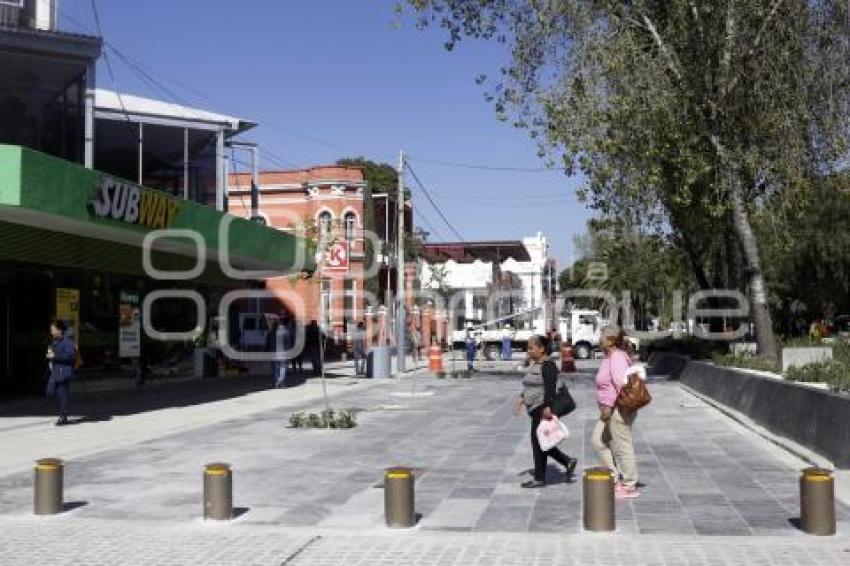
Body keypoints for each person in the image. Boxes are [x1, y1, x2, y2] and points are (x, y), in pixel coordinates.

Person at [513, 334, 577, 488]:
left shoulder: (548, 365)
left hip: (542, 408)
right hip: (534, 407)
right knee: (541, 441)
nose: (528, 351)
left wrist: (548, 407)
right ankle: (567, 461)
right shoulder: (535, 364)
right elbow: (530, 385)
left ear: (541, 349)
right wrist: (521, 400)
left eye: (531, 348)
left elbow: (550, 387)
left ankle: (540, 478)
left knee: (539, 442)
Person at [592, 325, 641, 499]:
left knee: (622, 445)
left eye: (602, 336)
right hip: (610, 410)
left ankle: (629, 485)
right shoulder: (610, 356)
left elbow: (620, 385)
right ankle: (614, 477)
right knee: (599, 441)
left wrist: (609, 407)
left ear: (611, 340)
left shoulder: (617, 357)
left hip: (617, 410)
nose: (599, 339)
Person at [46, 320, 77, 426]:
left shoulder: (67, 342)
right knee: (50, 391)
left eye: (53, 329)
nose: (51, 332)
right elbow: (52, 353)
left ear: (59, 330)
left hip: (64, 371)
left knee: (62, 394)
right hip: (55, 371)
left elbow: (70, 357)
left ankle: (63, 418)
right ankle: (63, 410)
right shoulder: (54, 341)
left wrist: (54, 357)